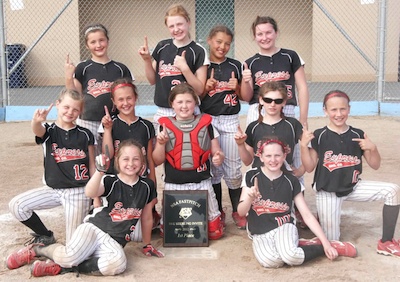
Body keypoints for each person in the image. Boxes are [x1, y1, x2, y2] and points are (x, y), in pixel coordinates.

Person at [6, 139, 164, 277]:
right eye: (126, 159)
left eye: (136, 159)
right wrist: (100, 172)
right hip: (94, 230)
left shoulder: (147, 186)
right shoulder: (110, 180)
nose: (131, 163)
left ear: (142, 162)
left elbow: (146, 216)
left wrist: (147, 244)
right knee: (69, 256)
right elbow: (90, 192)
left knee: (117, 264)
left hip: (115, 241)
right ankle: (39, 249)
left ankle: (63, 269)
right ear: (118, 161)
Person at [300, 90, 400, 257]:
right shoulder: (320, 135)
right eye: (333, 110)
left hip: (354, 186)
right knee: (333, 241)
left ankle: (386, 242)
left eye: (343, 109)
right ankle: (315, 237)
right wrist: (303, 146)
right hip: (328, 191)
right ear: (325, 110)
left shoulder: (357, 134)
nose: (339, 114)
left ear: (349, 109)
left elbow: (375, 165)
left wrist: (372, 148)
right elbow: (309, 167)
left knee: (393, 190)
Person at [238, 136, 357, 268]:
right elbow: (241, 212)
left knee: (291, 256)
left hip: (284, 226)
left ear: (284, 156)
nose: (273, 160)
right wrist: (249, 197)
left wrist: (326, 243)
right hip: (259, 230)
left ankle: (321, 246)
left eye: (277, 155)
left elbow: (306, 214)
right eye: (268, 155)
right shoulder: (251, 176)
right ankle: (297, 244)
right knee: (271, 262)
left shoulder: (291, 180)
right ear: (261, 157)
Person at [8, 89, 95, 245]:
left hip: (78, 191)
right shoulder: (49, 130)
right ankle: (45, 235)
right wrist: (36, 121)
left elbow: (92, 166)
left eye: (75, 109)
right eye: (66, 107)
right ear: (58, 105)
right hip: (52, 190)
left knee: (73, 245)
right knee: (17, 205)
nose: (70, 112)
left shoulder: (85, 134)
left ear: (80, 112)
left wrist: (95, 197)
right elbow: (38, 130)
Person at [152, 83, 225, 240]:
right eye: (179, 102)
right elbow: (157, 161)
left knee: (215, 232)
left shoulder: (207, 124)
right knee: (169, 234)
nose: (184, 106)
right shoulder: (163, 127)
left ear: (195, 103)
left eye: (188, 101)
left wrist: (218, 157)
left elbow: (216, 152)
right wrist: (161, 143)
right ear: (172, 104)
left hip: (202, 181)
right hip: (174, 183)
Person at [235, 81, 306, 228]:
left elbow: (309, 149)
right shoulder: (254, 127)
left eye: (278, 101)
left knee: (283, 218)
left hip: (283, 176)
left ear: (284, 102)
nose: (272, 104)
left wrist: (301, 170)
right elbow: (248, 161)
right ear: (261, 100)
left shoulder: (292, 125)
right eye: (268, 100)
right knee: (262, 216)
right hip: (259, 178)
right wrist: (241, 145)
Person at [100, 78, 160, 236]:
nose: (125, 103)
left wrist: (153, 189)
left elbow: (149, 160)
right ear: (113, 101)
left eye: (129, 98)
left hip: (139, 184)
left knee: (139, 235)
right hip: (117, 184)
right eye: (120, 99)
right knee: (120, 229)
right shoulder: (110, 123)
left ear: (135, 98)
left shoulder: (146, 126)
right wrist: (107, 130)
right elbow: (107, 155)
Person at [138, 3, 209, 131]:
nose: (176, 29)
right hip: (164, 110)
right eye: (171, 26)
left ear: (188, 22)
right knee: (162, 148)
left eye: (180, 24)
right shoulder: (162, 47)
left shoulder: (198, 50)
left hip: (188, 111)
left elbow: (199, 89)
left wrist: (185, 68)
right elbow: (152, 80)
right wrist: (147, 60)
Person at [200, 25, 244, 229]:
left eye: (227, 43)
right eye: (218, 42)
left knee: (234, 168)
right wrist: (204, 88)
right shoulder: (202, 66)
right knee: (214, 169)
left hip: (229, 119)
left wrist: (238, 87)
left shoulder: (235, 65)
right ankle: (218, 211)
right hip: (207, 119)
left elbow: (245, 95)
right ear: (209, 40)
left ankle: (237, 209)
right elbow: (194, 97)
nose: (223, 46)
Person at [65, 23, 133, 144]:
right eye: (93, 42)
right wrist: (69, 77)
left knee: (113, 157)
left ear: (107, 41)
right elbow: (74, 95)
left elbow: (130, 97)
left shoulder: (120, 68)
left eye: (102, 40)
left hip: (115, 120)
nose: (98, 45)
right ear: (87, 45)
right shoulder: (83, 68)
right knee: (91, 157)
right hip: (88, 121)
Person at [241, 16, 309, 126]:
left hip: (286, 107)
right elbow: (247, 97)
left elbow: (302, 87)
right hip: (259, 110)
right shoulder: (250, 62)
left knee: (289, 142)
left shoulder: (290, 56)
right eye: (260, 34)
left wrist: (303, 119)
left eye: (268, 32)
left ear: (276, 33)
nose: (264, 37)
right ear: (254, 36)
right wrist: (245, 80)